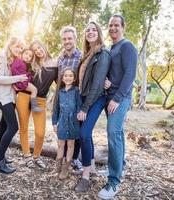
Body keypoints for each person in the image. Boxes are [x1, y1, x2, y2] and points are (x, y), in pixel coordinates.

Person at [98, 14, 137, 199]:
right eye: (110, 25)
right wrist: (107, 81)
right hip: (109, 97)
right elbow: (113, 73)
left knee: (113, 133)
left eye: (116, 25)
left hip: (119, 99)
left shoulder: (127, 46)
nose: (112, 28)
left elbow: (130, 74)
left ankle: (114, 182)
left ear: (123, 27)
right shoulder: (112, 48)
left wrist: (118, 98)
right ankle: (120, 166)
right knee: (118, 133)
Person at [74, 21, 111, 192]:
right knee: (85, 135)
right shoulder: (87, 54)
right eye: (87, 30)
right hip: (83, 98)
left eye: (93, 29)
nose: (90, 32)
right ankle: (93, 168)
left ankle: (86, 176)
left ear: (99, 32)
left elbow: (97, 85)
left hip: (96, 99)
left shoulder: (103, 53)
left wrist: (85, 108)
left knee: (84, 133)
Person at [16, 39, 58, 170]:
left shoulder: (56, 63)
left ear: (43, 46)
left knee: (40, 132)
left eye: (39, 47)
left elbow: (60, 83)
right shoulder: (31, 63)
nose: (38, 51)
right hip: (23, 96)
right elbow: (19, 74)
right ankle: (27, 156)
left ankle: (37, 156)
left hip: (40, 100)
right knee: (23, 128)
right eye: (34, 50)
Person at [0, 37, 28, 174]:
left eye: (21, 47)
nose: (19, 49)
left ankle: (0, 156)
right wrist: (18, 78)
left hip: (10, 97)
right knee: (13, 127)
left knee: (4, 126)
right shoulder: (1, 56)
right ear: (10, 44)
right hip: (3, 97)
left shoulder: (11, 59)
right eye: (17, 46)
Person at [57, 26, 83, 173]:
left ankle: (73, 159)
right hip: (64, 95)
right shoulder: (60, 58)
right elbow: (59, 78)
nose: (67, 41)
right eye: (64, 39)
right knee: (64, 127)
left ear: (75, 39)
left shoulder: (81, 56)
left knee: (76, 130)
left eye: (69, 38)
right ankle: (63, 162)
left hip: (77, 96)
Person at [52, 68, 82, 179]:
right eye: (66, 75)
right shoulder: (60, 92)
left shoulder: (76, 91)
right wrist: (54, 123)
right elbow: (56, 109)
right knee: (60, 144)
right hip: (62, 122)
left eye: (70, 76)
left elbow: (79, 105)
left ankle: (65, 168)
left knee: (70, 145)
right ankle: (58, 166)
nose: (68, 77)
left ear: (74, 79)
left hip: (74, 122)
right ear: (62, 78)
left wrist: (79, 114)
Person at [10, 47, 42, 112]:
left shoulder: (23, 63)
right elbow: (13, 69)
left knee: (33, 90)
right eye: (26, 54)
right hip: (21, 81)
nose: (27, 56)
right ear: (22, 54)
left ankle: (32, 104)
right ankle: (34, 106)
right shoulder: (18, 60)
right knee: (34, 89)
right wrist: (19, 77)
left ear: (30, 60)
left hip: (21, 80)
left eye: (30, 56)